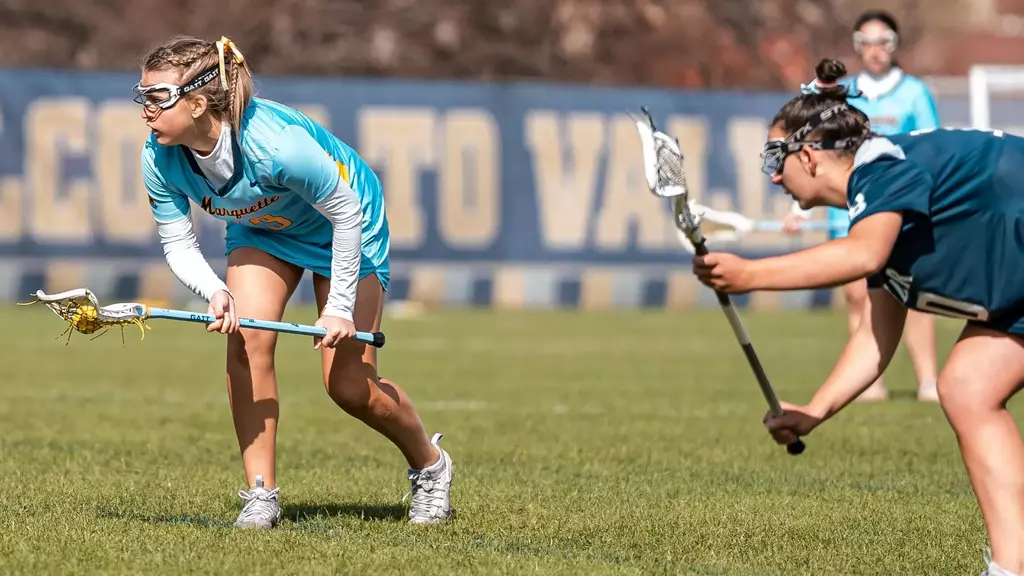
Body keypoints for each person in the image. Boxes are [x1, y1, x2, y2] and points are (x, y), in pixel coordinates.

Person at [693, 57, 1024, 576]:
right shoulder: (877, 204)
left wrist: (751, 275)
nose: (774, 175)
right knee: (968, 387)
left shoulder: (882, 168)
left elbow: (862, 257)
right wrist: (815, 411)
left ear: (809, 155)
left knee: (969, 386)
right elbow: (875, 336)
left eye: (776, 157)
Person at [134, 35, 454, 529]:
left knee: (348, 386)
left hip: (343, 226)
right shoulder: (158, 156)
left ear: (197, 104)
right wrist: (215, 291)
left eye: (157, 97)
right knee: (246, 342)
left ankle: (430, 465)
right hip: (264, 230)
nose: (146, 110)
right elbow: (177, 243)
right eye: (142, 96)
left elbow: (345, 213)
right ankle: (260, 494)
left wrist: (339, 307)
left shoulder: (277, 145)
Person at [782, 10, 940, 403]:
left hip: (900, 204)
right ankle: (870, 383)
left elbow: (931, 145)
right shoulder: (844, 95)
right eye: (866, 42)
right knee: (857, 293)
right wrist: (801, 210)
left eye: (883, 41)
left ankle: (928, 380)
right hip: (849, 206)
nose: (874, 50)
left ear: (894, 45)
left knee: (913, 292)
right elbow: (818, 155)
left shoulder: (914, 93)